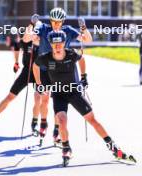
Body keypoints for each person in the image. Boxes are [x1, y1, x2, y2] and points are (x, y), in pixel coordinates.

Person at [33, 30, 136, 167]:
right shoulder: (45, 57)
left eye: (60, 43)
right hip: (58, 94)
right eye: (54, 43)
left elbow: (82, 59)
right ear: (51, 44)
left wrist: (84, 77)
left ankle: (114, 148)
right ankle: (66, 148)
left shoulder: (71, 54)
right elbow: (35, 65)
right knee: (62, 120)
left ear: (64, 43)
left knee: (92, 120)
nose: (57, 46)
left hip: (74, 92)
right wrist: (39, 84)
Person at [31, 8, 93, 143]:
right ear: (50, 21)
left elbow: (87, 40)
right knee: (44, 99)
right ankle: (43, 123)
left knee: (57, 103)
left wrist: (83, 27)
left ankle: (56, 130)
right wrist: (34, 25)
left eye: (59, 22)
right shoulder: (44, 28)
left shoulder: (69, 30)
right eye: (54, 22)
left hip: (61, 72)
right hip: (44, 70)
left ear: (62, 22)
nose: (56, 25)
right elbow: (30, 38)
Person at [0, 24, 40, 133]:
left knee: (38, 98)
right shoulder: (25, 41)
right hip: (26, 72)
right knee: (10, 96)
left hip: (38, 73)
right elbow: (16, 48)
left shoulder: (42, 42)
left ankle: (35, 124)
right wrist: (16, 62)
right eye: (29, 33)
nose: (32, 35)